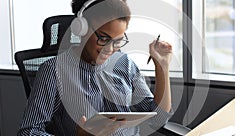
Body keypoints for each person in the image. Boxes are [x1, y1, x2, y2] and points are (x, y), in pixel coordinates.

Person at [17, 0, 173, 135]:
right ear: (81, 28)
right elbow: (28, 132)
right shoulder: (53, 71)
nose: (110, 49)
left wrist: (162, 66)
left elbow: (158, 119)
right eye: (104, 38)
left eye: (118, 41)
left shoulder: (125, 64)